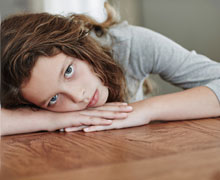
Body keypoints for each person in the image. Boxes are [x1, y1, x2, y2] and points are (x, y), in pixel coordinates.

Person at [1, 3, 220, 136]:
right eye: (54, 99)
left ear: (79, 45)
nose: (79, 97)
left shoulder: (130, 44)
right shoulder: (23, 95)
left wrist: (144, 110)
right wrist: (51, 120)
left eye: (68, 71)